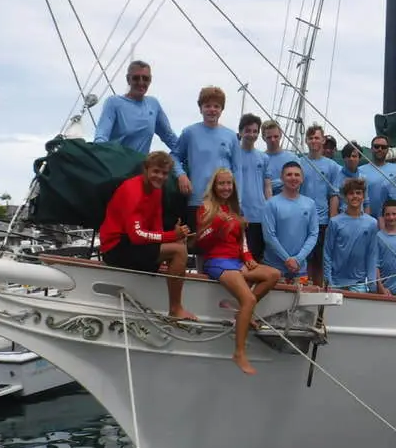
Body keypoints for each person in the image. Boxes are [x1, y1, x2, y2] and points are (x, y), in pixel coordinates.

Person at [195, 169, 280, 375]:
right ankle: (239, 352)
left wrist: (248, 258)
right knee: (248, 299)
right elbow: (200, 240)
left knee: (273, 275)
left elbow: (241, 242)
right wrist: (217, 224)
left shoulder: (235, 210)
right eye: (221, 184)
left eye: (228, 184)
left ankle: (244, 312)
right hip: (217, 261)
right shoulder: (206, 208)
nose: (225, 188)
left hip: (235, 261)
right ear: (214, 186)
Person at [99, 151, 196, 320]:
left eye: (164, 173)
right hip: (116, 247)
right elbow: (137, 235)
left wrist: (172, 237)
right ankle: (175, 310)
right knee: (179, 251)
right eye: (156, 171)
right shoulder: (133, 191)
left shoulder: (156, 190)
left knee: (179, 247)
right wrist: (171, 236)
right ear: (145, 169)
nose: (160, 177)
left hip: (131, 244)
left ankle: (172, 295)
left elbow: (155, 225)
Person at [170, 86, 242, 237]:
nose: (212, 110)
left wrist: (237, 201)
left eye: (216, 106)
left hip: (223, 202)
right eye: (207, 106)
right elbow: (174, 156)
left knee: (222, 245)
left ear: (222, 109)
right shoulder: (189, 133)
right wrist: (181, 175)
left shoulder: (231, 136)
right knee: (195, 246)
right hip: (196, 200)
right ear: (200, 108)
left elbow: (237, 170)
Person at [93, 60, 180, 153]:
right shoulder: (113, 102)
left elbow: (169, 137)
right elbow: (101, 136)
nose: (141, 82)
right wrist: (100, 152)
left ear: (150, 80)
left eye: (145, 78)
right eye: (136, 78)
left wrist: (188, 155)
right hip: (116, 164)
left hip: (141, 165)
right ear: (128, 79)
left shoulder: (153, 104)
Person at [263, 161, 320, 283]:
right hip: (274, 269)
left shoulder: (310, 204)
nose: (293, 178)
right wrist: (287, 259)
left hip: (300, 269)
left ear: (302, 178)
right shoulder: (271, 204)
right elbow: (269, 236)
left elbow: (313, 234)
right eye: (289, 175)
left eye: (297, 175)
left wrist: (298, 259)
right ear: (282, 177)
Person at [299, 125, 341, 286]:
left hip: (322, 220)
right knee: (305, 258)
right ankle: (304, 287)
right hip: (303, 219)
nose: (314, 141)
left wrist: (333, 220)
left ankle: (318, 287)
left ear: (323, 140)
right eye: (310, 138)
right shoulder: (300, 163)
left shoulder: (332, 166)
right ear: (306, 141)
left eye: (317, 137)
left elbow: (334, 194)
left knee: (320, 260)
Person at [324, 178, 378, 292]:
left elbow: (372, 254)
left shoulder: (372, 223)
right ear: (345, 197)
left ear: (363, 196)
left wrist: (372, 282)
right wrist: (328, 281)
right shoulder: (335, 222)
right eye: (351, 193)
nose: (355, 196)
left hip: (359, 283)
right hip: (336, 282)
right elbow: (327, 254)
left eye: (358, 193)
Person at [237, 113, 272, 262]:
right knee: (238, 257)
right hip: (238, 214)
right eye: (248, 130)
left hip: (259, 215)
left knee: (256, 257)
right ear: (240, 131)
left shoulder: (264, 158)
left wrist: (270, 209)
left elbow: (267, 186)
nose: (251, 134)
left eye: (255, 131)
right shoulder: (233, 154)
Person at [359, 134, 396, 222]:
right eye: (376, 146)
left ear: (388, 149)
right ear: (371, 148)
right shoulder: (360, 170)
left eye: (383, 147)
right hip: (367, 219)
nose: (380, 149)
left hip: (391, 220)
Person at [261, 120, 298, 196]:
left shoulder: (293, 158)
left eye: (276, 136)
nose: (273, 140)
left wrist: (272, 184)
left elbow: (297, 182)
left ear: (281, 135)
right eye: (269, 137)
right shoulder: (260, 159)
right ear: (263, 138)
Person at [336, 143, 370, 214]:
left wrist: (367, 219)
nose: (351, 159)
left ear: (359, 158)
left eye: (354, 156)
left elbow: (366, 202)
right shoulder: (336, 176)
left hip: (360, 218)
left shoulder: (363, 177)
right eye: (348, 156)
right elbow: (334, 202)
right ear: (344, 158)